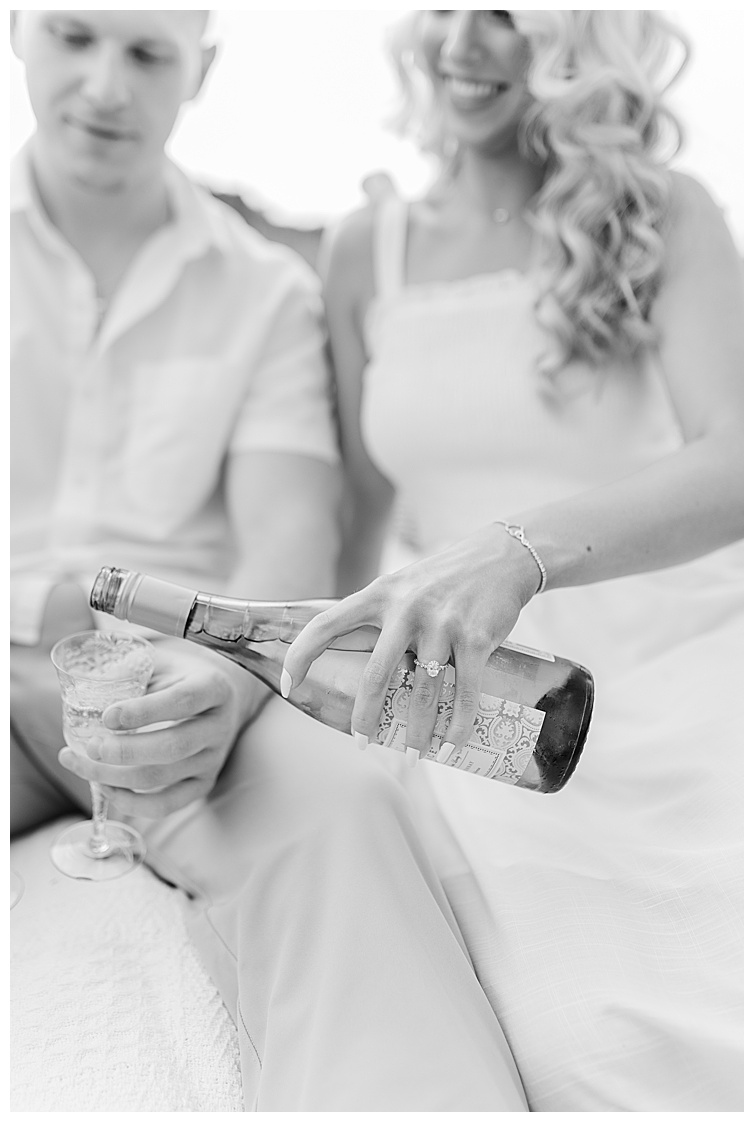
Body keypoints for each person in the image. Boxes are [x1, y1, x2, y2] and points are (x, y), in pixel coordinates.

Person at [10, 11, 526, 1109]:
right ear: (18, 35)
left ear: (201, 67)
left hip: (169, 681)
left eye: (146, 53)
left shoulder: (267, 292)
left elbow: (285, 542)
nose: (105, 85)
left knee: (342, 813)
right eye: (73, 38)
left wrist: (225, 682)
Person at [282, 10, 744, 1111]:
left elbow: (734, 468)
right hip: (454, 684)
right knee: (568, 1035)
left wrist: (517, 554)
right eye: (443, 8)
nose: (461, 40)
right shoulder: (365, 249)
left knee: (677, 1029)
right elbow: (356, 513)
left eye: (504, 13)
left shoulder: (664, 214)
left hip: (667, 659)